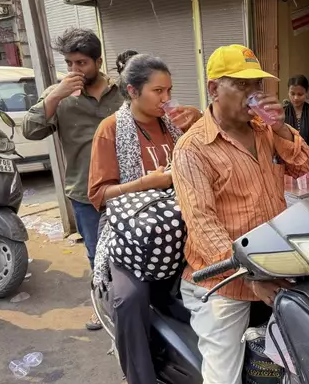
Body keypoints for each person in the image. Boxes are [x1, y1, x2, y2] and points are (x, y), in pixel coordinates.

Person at [172, 44, 309, 384]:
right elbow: (203, 226)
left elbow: (303, 165)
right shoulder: (193, 149)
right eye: (242, 85)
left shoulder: (265, 131)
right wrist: (249, 274)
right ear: (213, 88)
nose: (253, 95)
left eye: (256, 86)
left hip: (274, 264)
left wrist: (281, 129)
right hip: (225, 281)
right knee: (224, 377)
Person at [89, 53, 197, 384]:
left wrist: (200, 117)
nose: (166, 99)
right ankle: (139, 376)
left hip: (180, 225)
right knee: (129, 298)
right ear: (133, 91)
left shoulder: (176, 124)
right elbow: (99, 195)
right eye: (158, 91)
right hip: (131, 234)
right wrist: (145, 184)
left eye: (170, 90)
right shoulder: (111, 130)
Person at [22, 28, 122, 331]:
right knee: (97, 254)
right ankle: (103, 307)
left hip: (127, 187)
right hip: (85, 192)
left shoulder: (121, 91)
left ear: (98, 61)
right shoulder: (59, 95)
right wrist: (55, 95)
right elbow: (31, 130)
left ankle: (137, 305)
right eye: (69, 64)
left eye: (82, 63)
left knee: (135, 248)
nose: (75, 70)